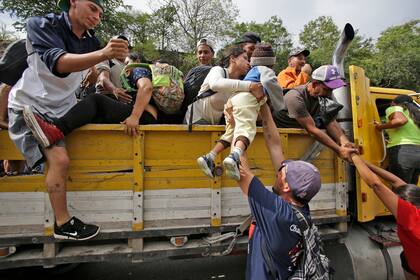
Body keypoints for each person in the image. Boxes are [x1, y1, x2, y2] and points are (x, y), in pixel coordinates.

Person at [7, 0, 129, 240]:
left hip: (62, 111)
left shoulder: (91, 42)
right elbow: (59, 64)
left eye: (100, 13)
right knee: (60, 160)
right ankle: (63, 224)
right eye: (93, 8)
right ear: (73, 1)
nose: (97, 17)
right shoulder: (41, 25)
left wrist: (97, 74)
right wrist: (104, 53)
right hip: (30, 107)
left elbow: (93, 70)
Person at [238, 103, 324, 279]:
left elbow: (239, 168)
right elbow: (275, 145)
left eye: (282, 172)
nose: (279, 170)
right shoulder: (298, 209)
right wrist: (264, 108)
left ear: (286, 186)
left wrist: (236, 124)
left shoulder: (277, 214)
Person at [197, 43, 284, 180]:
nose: (248, 62)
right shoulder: (264, 70)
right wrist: (280, 104)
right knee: (247, 130)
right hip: (243, 101)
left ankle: (210, 156)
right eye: (245, 58)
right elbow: (269, 82)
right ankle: (234, 156)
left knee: (231, 133)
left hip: (233, 102)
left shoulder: (248, 75)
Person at [350, 154, 420, 279]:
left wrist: (354, 157)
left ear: (407, 204)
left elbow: (376, 184)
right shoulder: (416, 202)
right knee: (405, 256)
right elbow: (396, 182)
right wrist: (365, 163)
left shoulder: (411, 217)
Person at [272, 65, 358, 162]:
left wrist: (345, 143)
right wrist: (339, 150)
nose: (329, 93)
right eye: (327, 89)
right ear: (314, 84)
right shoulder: (295, 98)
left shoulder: (322, 97)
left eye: (331, 90)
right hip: (281, 139)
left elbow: (330, 121)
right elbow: (312, 129)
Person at [184, 45, 264, 125]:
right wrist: (250, 85)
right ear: (233, 58)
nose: (249, 63)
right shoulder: (218, 70)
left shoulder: (241, 84)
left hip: (213, 127)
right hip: (194, 121)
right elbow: (215, 84)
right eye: (245, 58)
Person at [374, 95, 420, 185]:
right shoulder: (416, 114)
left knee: (401, 188)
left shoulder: (395, 108)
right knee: (410, 189)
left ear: (393, 103)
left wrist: (380, 127)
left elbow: (400, 120)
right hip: (418, 153)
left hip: (403, 152)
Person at [95, 35, 132, 102]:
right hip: (108, 99)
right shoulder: (106, 59)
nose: (122, 49)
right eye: (118, 46)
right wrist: (114, 90)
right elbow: (103, 79)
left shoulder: (130, 66)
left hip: (126, 101)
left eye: (124, 47)